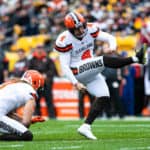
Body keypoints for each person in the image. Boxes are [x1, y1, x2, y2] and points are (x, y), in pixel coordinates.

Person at [54, 11, 146, 140]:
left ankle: (86, 126)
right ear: (70, 30)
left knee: (103, 96)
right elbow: (64, 66)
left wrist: (112, 47)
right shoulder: (64, 40)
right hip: (77, 71)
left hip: (91, 70)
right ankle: (136, 59)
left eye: (82, 26)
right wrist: (75, 83)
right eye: (77, 29)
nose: (81, 30)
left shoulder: (90, 29)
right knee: (103, 60)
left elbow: (110, 38)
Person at [0, 70, 45, 141]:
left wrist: (28, 119)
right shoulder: (30, 92)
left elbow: (8, 114)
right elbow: (26, 123)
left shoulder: (12, 84)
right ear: (35, 83)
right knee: (27, 135)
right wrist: (28, 120)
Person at [28, 44, 58, 119]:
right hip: (36, 85)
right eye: (38, 48)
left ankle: (52, 117)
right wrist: (37, 76)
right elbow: (29, 71)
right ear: (35, 50)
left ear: (43, 49)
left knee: (49, 100)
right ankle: (37, 116)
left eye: (41, 48)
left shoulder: (48, 59)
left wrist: (46, 75)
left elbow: (53, 70)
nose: (39, 50)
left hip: (46, 83)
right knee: (36, 101)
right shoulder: (32, 60)